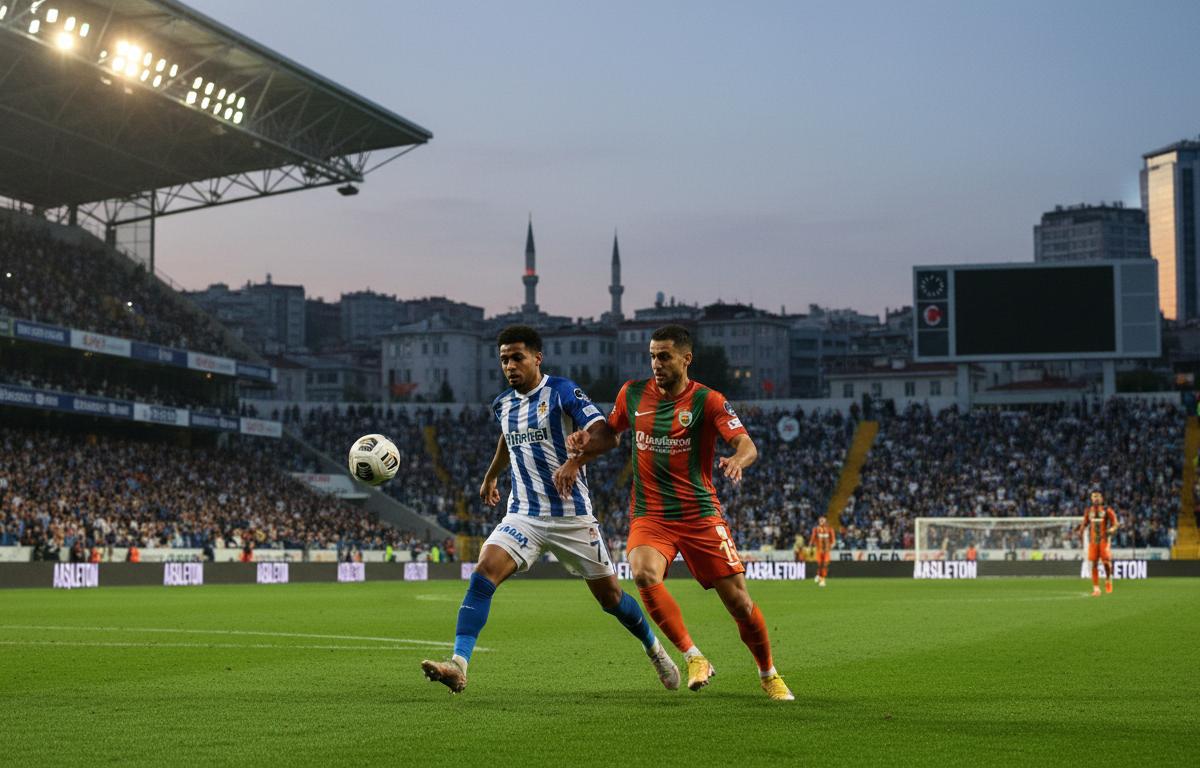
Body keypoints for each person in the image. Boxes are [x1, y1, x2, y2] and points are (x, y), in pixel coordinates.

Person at [421, 325, 678, 694]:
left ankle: (654, 650)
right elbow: (508, 440)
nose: (510, 366)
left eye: (517, 358)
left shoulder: (561, 391)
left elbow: (608, 433)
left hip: (571, 516)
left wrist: (577, 460)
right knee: (483, 574)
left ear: (537, 358)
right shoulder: (502, 404)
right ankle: (458, 665)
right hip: (523, 514)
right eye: (504, 359)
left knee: (611, 599)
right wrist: (491, 476)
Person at [571, 324, 793, 701]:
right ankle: (694, 657)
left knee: (739, 601)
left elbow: (746, 444)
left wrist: (738, 459)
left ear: (686, 359)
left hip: (699, 514)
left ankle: (768, 672)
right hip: (650, 514)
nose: (656, 363)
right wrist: (584, 444)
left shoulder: (708, 400)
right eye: (653, 356)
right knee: (642, 572)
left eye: (665, 356)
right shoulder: (632, 393)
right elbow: (611, 433)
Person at [1081, 491, 1119, 596]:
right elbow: (1084, 524)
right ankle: (1096, 588)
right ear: (1091, 499)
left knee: (1106, 562)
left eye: (1098, 497)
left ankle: (1108, 580)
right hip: (1093, 541)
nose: (1096, 499)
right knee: (1094, 563)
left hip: (1104, 541)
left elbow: (1115, 523)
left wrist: (1111, 530)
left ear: (1101, 499)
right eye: (1094, 497)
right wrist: (1079, 533)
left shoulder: (1107, 510)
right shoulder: (1088, 511)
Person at [810, 515, 835, 586]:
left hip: (826, 550)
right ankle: (819, 575)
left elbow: (832, 539)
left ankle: (822, 579)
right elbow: (813, 537)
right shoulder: (816, 529)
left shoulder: (830, 529)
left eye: (823, 520)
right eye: (820, 520)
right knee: (820, 564)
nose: (821, 522)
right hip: (819, 550)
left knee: (825, 564)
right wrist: (811, 543)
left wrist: (832, 544)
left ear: (825, 521)